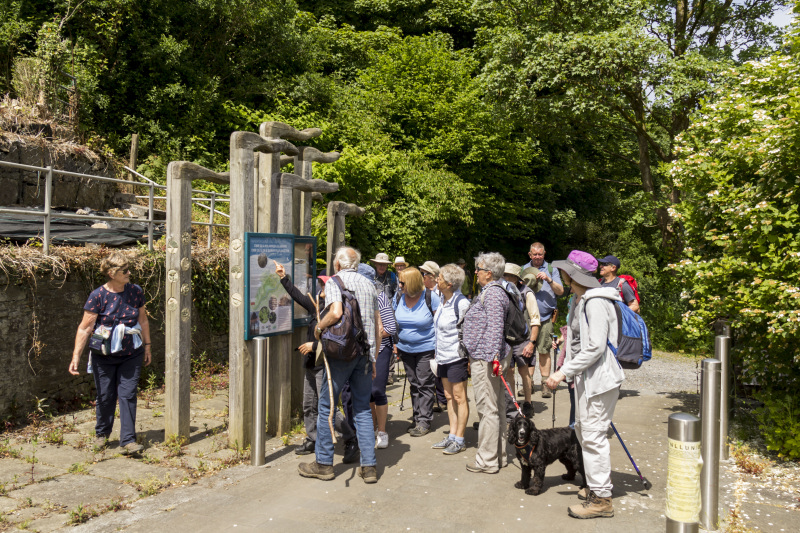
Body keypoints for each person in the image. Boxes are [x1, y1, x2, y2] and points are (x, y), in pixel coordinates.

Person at [546, 250, 624, 519]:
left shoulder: (595, 301)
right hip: (587, 379)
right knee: (584, 432)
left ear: (572, 274)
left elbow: (595, 348)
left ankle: (602, 499)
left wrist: (561, 372)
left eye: (565, 271)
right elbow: (581, 341)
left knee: (593, 437)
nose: (562, 275)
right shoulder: (582, 300)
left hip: (599, 381)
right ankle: (594, 487)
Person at [298, 247, 381, 484]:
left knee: (326, 407)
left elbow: (335, 312)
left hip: (341, 354)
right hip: (364, 354)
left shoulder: (335, 281)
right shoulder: (369, 284)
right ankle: (369, 467)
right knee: (363, 409)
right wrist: (373, 357)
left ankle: (323, 464)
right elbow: (377, 325)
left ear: (337, 265)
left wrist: (318, 328)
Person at [273, 264, 357, 461]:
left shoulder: (337, 312)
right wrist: (284, 277)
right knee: (309, 405)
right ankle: (313, 438)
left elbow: (337, 339)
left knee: (329, 409)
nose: (321, 289)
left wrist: (314, 345)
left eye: (325, 285)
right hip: (311, 364)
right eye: (320, 284)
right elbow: (298, 296)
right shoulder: (317, 306)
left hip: (325, 366)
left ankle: (351, 438)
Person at [69, 252, 151, 454]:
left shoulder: (136, 291)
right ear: (112, 273)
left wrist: (147, 346)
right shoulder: (98, 296)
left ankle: (128, 441)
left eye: (128, 269)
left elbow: (143, 320)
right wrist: (76, 356)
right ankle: (102, 435)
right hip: (103, 355)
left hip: (132, 352)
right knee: (105, 396)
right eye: (125, 271)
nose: (129, 273)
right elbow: (85, 328)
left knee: (128, 394)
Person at [461, 252, 510, 474]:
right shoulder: (499, 290)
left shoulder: (492, 294)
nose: (476, 274)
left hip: (487, 359)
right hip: (490, 357)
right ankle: (499, 456)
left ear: (488, 274)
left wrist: (492, 359)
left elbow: (495, 327)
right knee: (497, 407)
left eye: (478, 270)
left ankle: (487, 460)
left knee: (487, 408)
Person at [394, 267, 440, 437]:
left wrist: (438, 348)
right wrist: (395, 342)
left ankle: (424, 421)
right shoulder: (399, 296)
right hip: (405, 348)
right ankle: (417, 416)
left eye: (402, 282)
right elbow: (392, 319)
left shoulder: (430, 298)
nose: (399, 285)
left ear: (412, 283)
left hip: (426, 348)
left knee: (424, 383)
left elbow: (439, 323)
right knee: (414, 383)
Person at [431, 263, 471, 454]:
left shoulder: (461, 303)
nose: (436, 280)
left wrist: (469, 359)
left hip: (457, 357)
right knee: (448, 397)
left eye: (439, 278)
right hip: (442, 357)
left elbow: (469, 332)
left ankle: (460, 439)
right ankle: (452, 435)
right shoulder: (441, 300)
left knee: (459, 397)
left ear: (449, 283)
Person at [522, 242, 564, 398]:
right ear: (530, 254)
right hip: (527, 317)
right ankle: (528, 383)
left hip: (546, 317)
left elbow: (560, 291)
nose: (538, 257)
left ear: (544, 254)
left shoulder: (552, 270)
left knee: (544, 350)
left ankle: (545, 384)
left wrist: (548, 279)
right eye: (535, 254)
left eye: (540, 254)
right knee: (528, 351)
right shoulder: (523, 269)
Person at [501, 264, 540, 420]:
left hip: (522, 339)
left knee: (524, 371)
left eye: (508, 275)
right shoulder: (502, 291)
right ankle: (513, 404)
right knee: (509, 371)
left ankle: (528, 404)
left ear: (516, 278)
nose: (504, 278)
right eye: (503, 274)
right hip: (506, 339)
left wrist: (532, 343)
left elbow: (535, 319)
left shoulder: (527, 293)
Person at [372, 279, 397, 449]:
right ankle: (371, 428)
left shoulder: (380, 297)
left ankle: (382, 431)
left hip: (381, 349)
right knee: (366, 392)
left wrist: (372, 335)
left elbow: (391, 327)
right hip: (365, 351)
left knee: (377, 390)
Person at [420, 260, 446, 411]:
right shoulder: (421, 292)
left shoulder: (441, 292)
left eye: (424, 274)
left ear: (432, 276)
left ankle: (442, 398)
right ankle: (436, 398)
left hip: (439, 334)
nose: (422, 277)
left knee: (439, 367)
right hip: (427, 335)